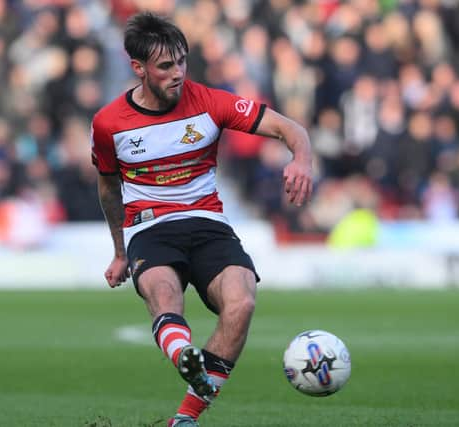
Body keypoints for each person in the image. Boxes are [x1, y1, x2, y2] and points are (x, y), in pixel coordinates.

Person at [91, 12, 313, 427]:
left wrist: (301, 159)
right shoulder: (108, 124)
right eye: (165, 66)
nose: (177, 73)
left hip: (207, 221)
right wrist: (120, 251)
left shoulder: (211, 102)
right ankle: (184, 357)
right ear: (138, 69)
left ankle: (186, 416)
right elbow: (109, 190)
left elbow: (290, 128)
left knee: (242, 301)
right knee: (163, 294)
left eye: (181, 62)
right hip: (149, 226)